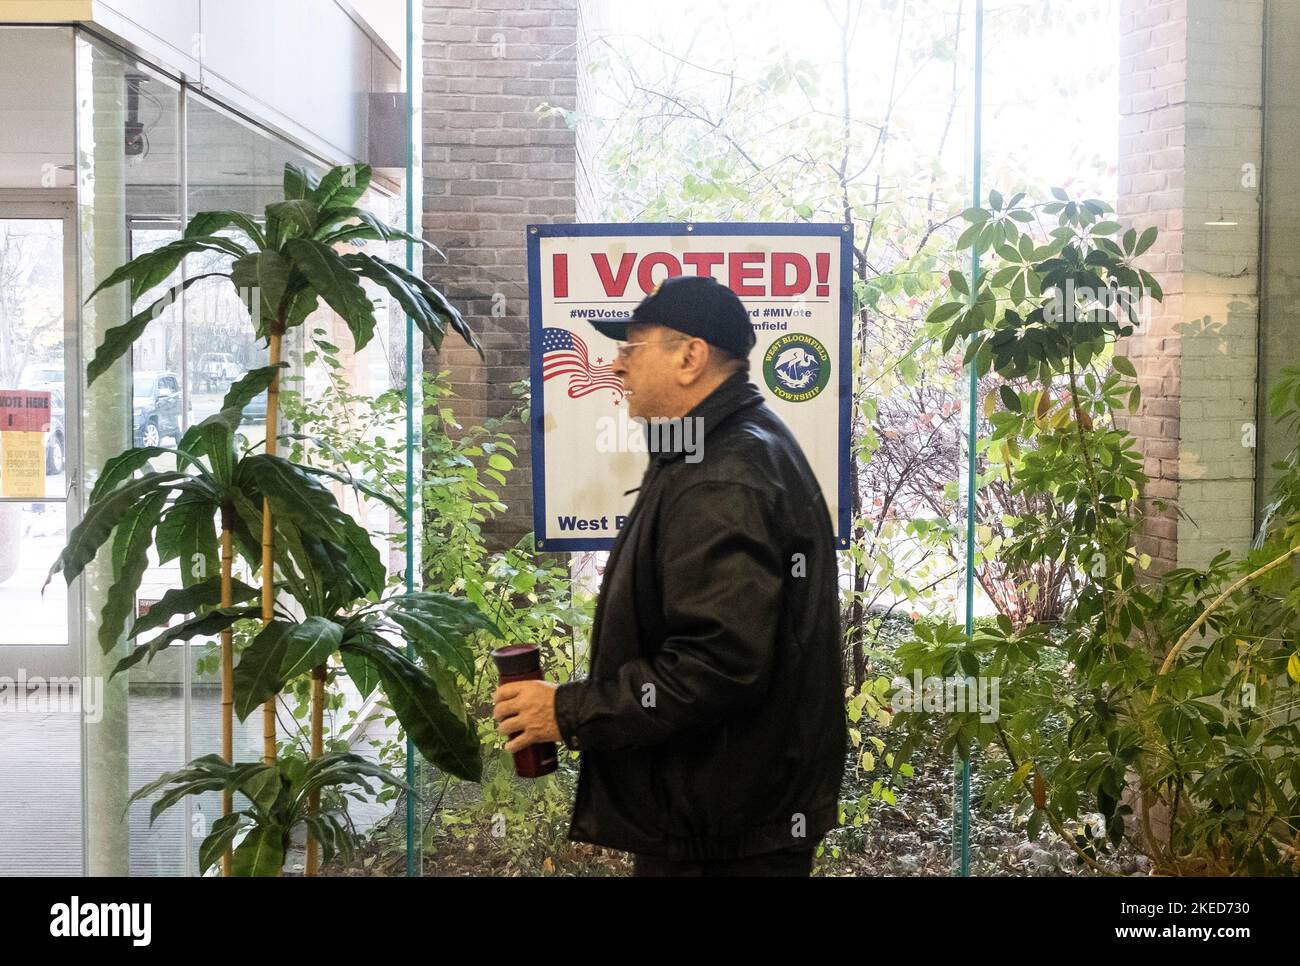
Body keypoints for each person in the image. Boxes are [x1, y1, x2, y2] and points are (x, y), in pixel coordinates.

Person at [492, 274, 847, 877]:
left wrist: (571, 711)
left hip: (725, 834)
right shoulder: (715, 448)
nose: (616, 365)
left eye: (632, 348)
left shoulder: (723, 472)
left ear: (690, 356)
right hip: (722, 815)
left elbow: (718, 664)